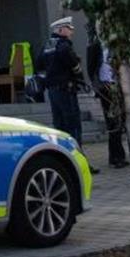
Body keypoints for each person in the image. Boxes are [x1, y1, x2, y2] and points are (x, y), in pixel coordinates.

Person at [36, 16, 99, 174]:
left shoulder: (46, 46)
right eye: (69, 29)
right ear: (61, 30)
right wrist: (81, 81)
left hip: (53, 92)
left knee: (60, 128)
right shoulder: (64, 46)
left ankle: (64, 164)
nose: (71, 32)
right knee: (73, 129)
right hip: (66, 90)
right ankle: (80, 164)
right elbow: (75, 67)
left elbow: (39, 66)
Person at [86, 21, 129, 168]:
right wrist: (97, 87)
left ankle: (116, 155)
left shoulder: (116, 47)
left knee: (120, 121)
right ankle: (117, 157)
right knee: (112, 122)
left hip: (118, 86)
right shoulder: (94, 47)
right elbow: (91, 69)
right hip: (106, 88)